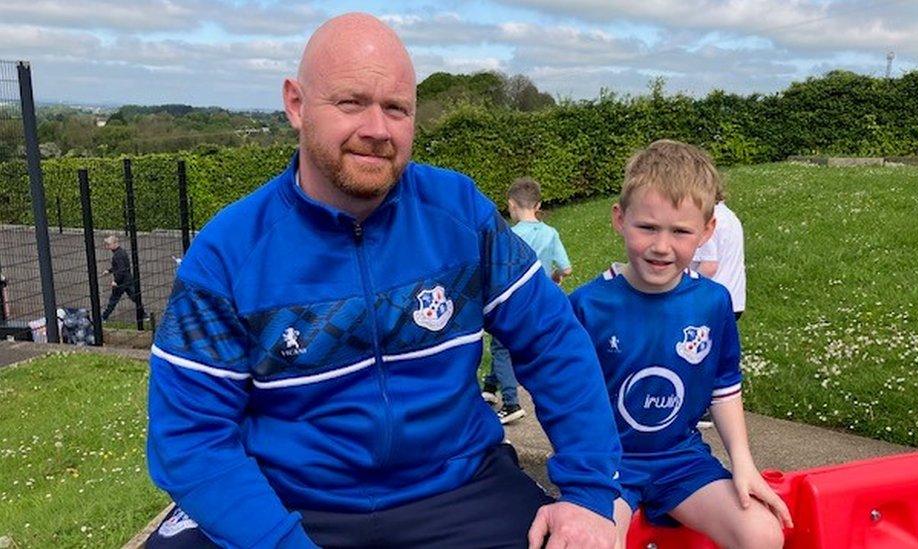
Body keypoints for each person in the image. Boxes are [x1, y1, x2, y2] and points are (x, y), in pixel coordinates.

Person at [145, 13, 620, 549]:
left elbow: (553, 340)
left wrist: (589, 494)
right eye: (351, 102)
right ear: (296, 104)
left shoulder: (460, 214)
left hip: (458, 492)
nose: (377, 129)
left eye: (396, 108)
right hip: (289, 505)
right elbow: (190, 438)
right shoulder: (226, 255)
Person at [569, 140, 792, 548]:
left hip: (681, 462)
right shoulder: (586, 306)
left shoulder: (713, 302)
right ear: (620, 219)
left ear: (707, 231)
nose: (661, 246)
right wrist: (585, 477)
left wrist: (744, 465)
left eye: (681, 231)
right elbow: (570, 400)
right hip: (610, 467)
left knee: (763, 533)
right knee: (593, 543)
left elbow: (724, 387)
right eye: (648, 227)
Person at [482, 177, 573, 424]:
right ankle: (490, 386)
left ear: (511, 205)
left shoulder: (509, 236)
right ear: (538, 204)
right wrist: (554, 276)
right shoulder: (550, 233)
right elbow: (566, 269)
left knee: (501, 347)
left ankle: (511, 403)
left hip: (511, 303)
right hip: (538, 302)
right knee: (517, 345)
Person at [692, 184, 746, 320]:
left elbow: (709, 267)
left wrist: (682, 291)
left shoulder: (707, 218)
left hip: (710, 301)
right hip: (734, 298)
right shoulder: (728, 215)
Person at [100, 234, 137, 321]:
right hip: (128, 280)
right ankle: (144, 315)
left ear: (115, 243)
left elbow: (121, 269)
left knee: (113, 300)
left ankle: (104, 317)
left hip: (121, 282)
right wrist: (109, 271)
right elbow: (120, 267)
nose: (107, 246)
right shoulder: (121, 252)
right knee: (135, 297)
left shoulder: (117, 255)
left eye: (108, 244)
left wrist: (116, 281)